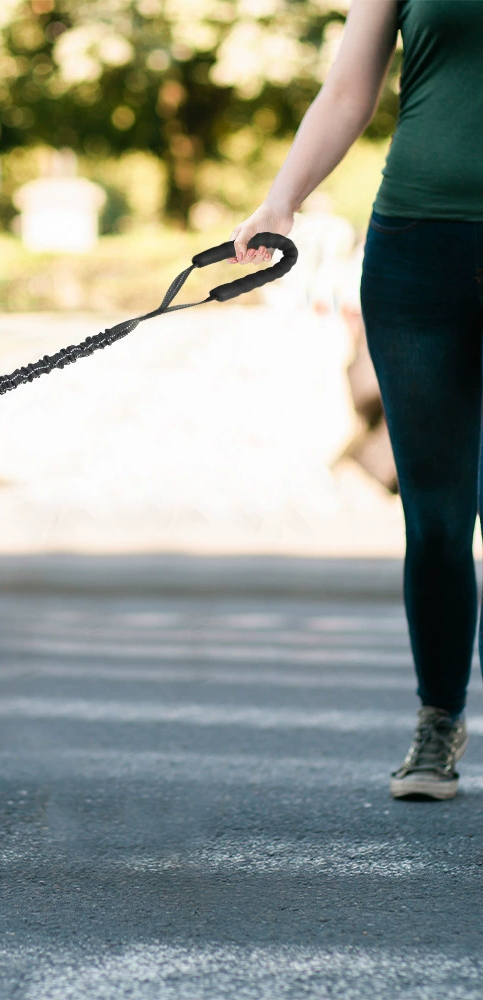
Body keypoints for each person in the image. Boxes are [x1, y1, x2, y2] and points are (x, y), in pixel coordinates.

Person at [232, 0, 483, 800]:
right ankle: (438, 724)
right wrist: (282, 199)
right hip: (416, 252)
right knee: (437, 521)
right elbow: (349, 88)